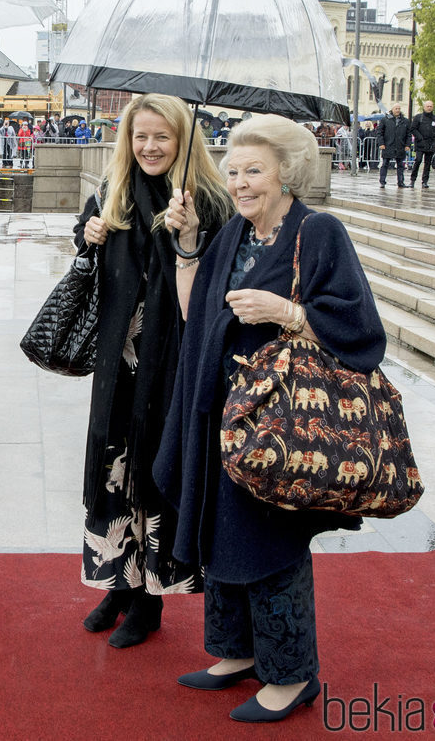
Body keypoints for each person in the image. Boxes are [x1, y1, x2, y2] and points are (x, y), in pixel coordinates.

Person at [159, 114, 385, 723]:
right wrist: (187, 248)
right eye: (233, 171)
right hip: (225, 411)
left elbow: (362, 330)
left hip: (282, 421)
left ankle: (291, 675)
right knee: (221, 531)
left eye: (253, 171)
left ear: (287, 173)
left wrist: (287, 311)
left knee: (269, 541)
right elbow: (195, 314)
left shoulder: (320, 232)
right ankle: (236, 652)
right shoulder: (232, 232)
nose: (239, 183)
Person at [74, 93, 233, 649]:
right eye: (140, 136)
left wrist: (189, 236)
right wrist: (89, 237)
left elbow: (217, 285)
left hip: (171, 363)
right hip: (119, 364)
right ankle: (116, 583)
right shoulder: (111, 193)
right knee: (113, 468)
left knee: (152, 470)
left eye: (161, 136)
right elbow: (89, 263)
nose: (149, 147)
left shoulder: (210, 201)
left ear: (184, 139)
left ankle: (149, 600)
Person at [376, 103, 411, 188]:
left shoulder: (405, 121)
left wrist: (407, 145)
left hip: (400, 146)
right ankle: (382, 182)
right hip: (388, 145)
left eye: (399, 108)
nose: (398, 110)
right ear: (392, 109)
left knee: (400, 165)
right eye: (396, 108)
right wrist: (381, 143)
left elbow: (408, 134)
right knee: (385, 164)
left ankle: (400, 182)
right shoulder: (385, 120)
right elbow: (380, 132)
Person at [409, 100, 435, 188]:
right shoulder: (418, 117)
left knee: (427, 163)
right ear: (424, 107)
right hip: (420, 143)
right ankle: (412, 180)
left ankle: (425, 181)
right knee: (418, 161)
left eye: (431, 106)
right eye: (428, 106)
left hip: (431, 144)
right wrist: (420, 138)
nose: (429, 108)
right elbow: (413, 129)